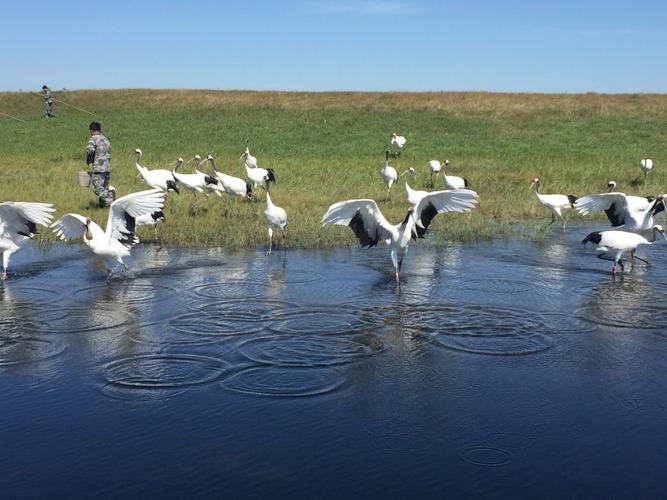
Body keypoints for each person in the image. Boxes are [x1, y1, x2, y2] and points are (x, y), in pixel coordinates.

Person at [86, 122, 115, 208]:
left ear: (91, 131)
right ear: (100, 130)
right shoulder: (106, 139)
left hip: (99, 168)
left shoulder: (93, 139)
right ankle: (103, 207)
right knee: (104, 187)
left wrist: (88, 160)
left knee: (97, 187)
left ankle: (112, 200)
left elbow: (90, 151)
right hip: (107, 168)